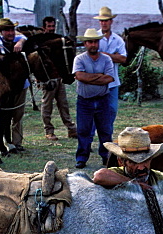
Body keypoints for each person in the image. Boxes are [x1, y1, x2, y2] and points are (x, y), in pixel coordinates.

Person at [73, 28, 117, 169]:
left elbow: (109, 78)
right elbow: (79, 76)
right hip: (84, 101)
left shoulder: (106, 59)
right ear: (85, 44)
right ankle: (81, 158)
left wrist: (89, 78)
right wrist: (99, 76)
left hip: (103, 99)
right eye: (90, 42)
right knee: (83, 130)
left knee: (105, 130)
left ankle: (106, 157)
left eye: (95, 42)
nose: (93, 45)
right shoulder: (79, 59)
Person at [94, 7, 128, 158]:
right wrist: (112, 56)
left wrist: (105, 55)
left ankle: (106, 142)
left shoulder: (118, 39)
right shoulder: (94, 37)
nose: (104, 23)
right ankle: (88, 142)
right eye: (102, 21)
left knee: (111, 111)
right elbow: (91, 55)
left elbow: (123, 59)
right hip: (95, 83)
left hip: (112, 83)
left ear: (111, 21)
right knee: (92, 112)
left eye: (106, 20)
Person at [39, 15, 77, 141]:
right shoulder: (41, 42)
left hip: (58, 78)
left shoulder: (58, 40)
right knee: (47, 106)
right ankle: (48, 131)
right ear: (44, 28)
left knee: (63, 104)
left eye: (53, 26)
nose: (51, 28)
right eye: (49, 26)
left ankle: (71, 129)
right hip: (47, 80)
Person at [0, 17, 28, 154]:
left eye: (12, 30)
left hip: (21, 84)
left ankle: (16, 142)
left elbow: (25, 36)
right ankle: (4, 140)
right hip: (4, 86)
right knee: (4, 114)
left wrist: (20, 41)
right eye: (7, 30)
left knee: (17, 114)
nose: (10, 33)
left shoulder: (17, 40)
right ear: (1, 31)